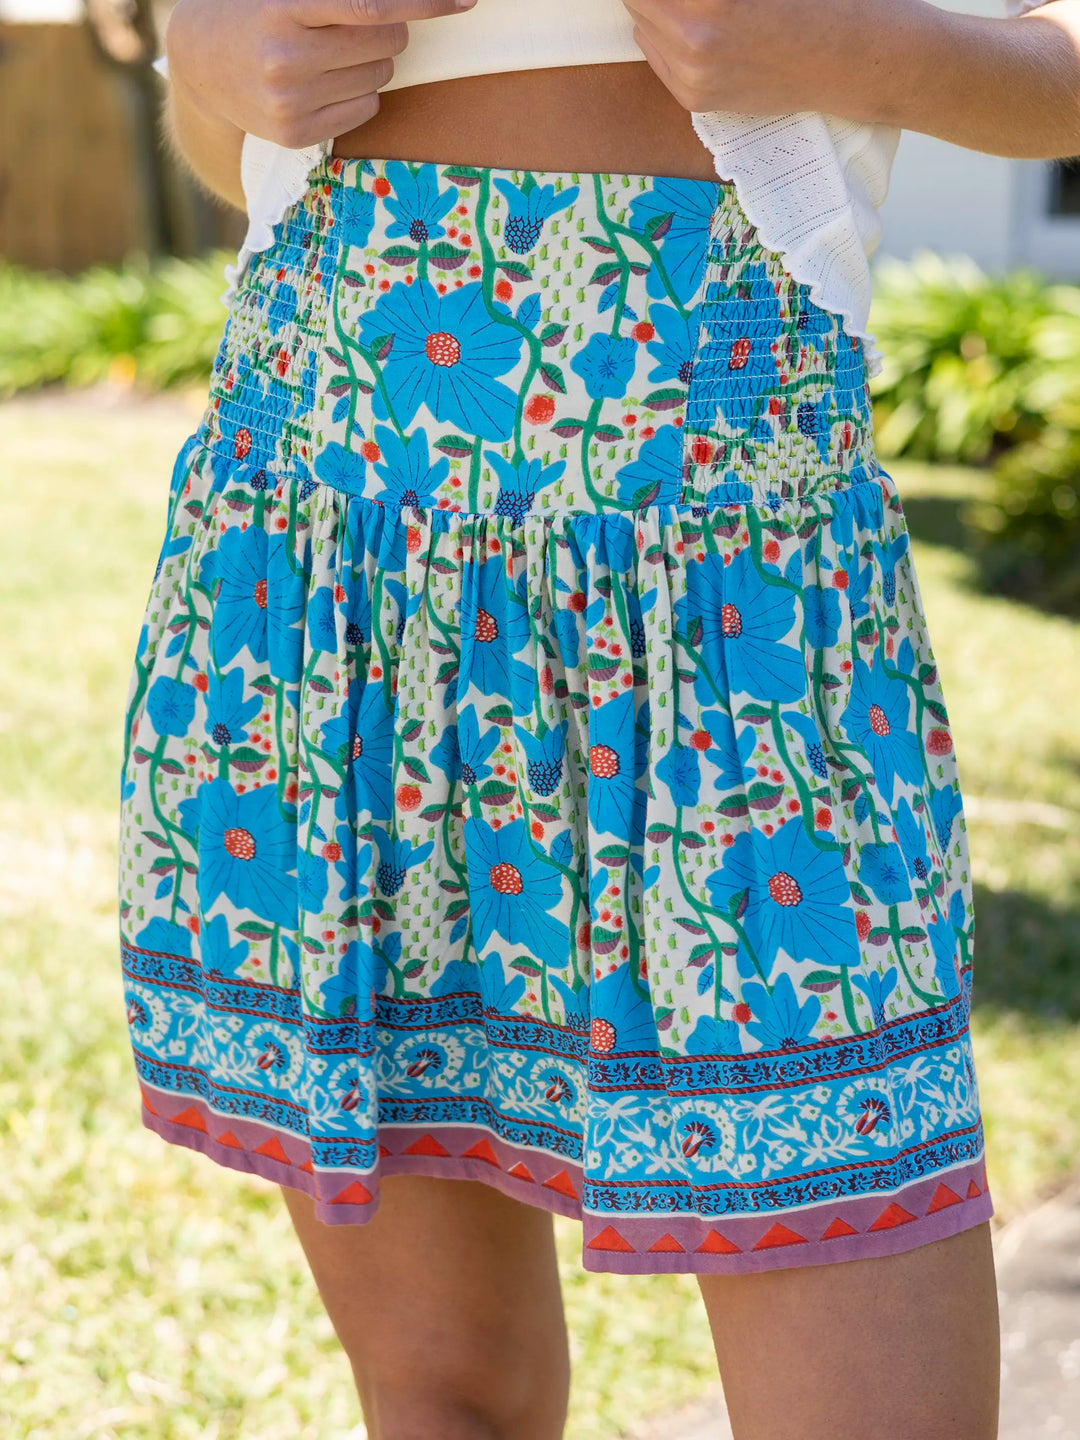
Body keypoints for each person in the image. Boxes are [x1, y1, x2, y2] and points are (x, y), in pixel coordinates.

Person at [119, 1, 1080, 1435]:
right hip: (336, 574)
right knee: (450, 1396)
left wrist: (844, 46)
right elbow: (232, 130)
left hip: (736, 620)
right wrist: (209, 65)